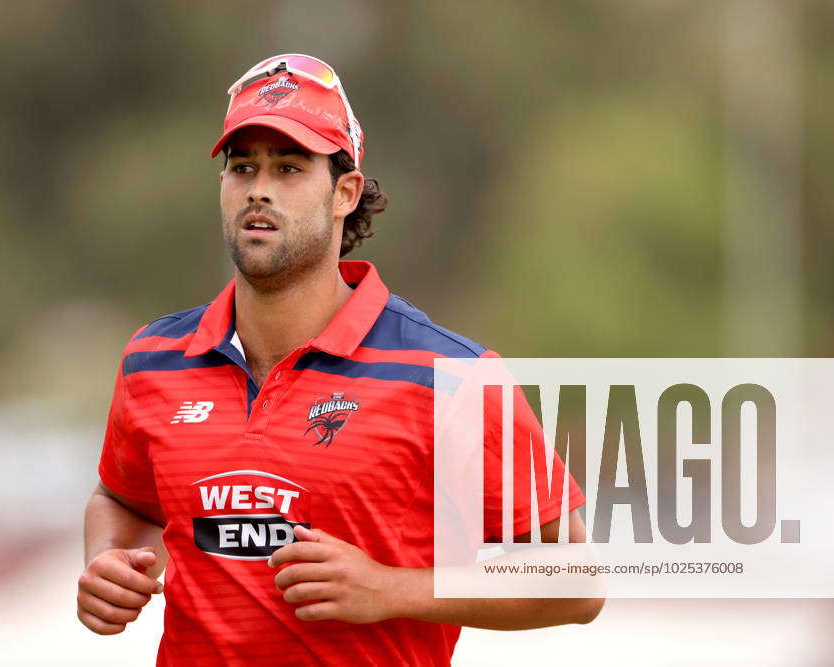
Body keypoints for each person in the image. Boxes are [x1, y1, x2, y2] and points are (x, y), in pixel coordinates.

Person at [77, 53, 602, 666]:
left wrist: (391, 588)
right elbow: (122, 500)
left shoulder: (452, 378)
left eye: (290, 168)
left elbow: (575, 579)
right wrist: (107, 565)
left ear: (344, 194)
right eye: (242, 167)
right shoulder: (153, 361)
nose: (260, 189)